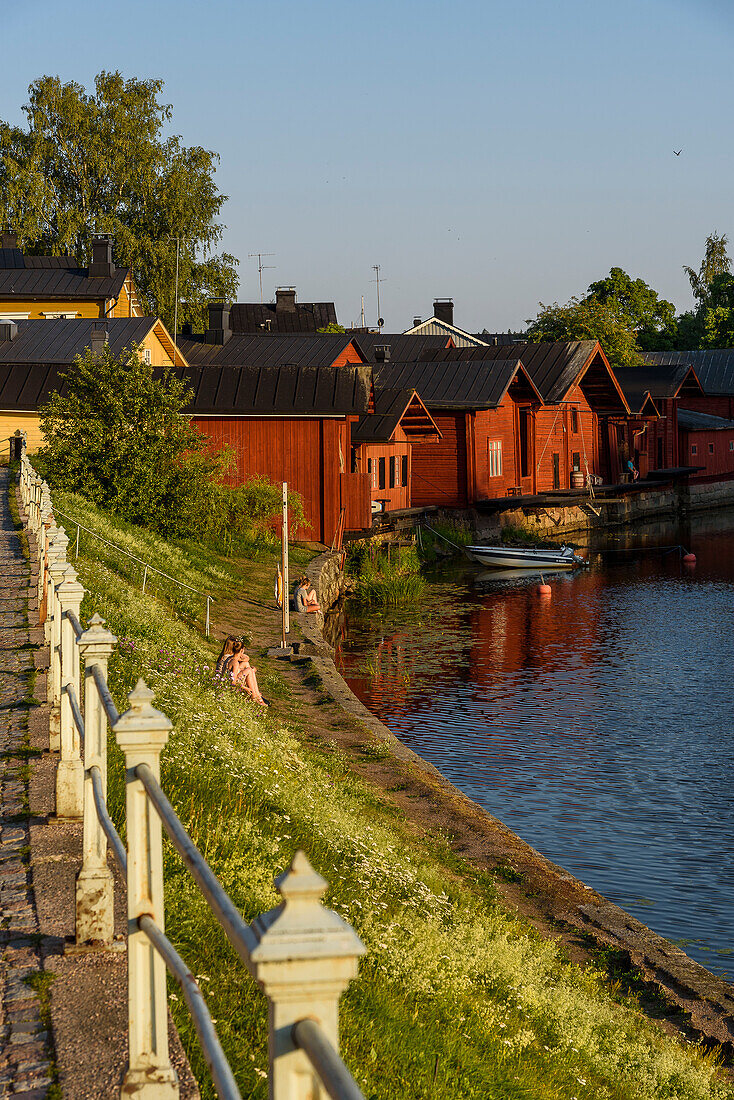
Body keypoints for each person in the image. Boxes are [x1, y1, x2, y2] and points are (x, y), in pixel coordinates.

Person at [229, 640, 268, 706]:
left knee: (246, 665)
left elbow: (246, 658)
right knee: (249, 670)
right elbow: (233, 682)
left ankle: (257, 695)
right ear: (242, 650)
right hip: (233, 686)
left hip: (234, 680)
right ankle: (255, 696)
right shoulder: (235, 663)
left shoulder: (231, 658)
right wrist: (245, 688)